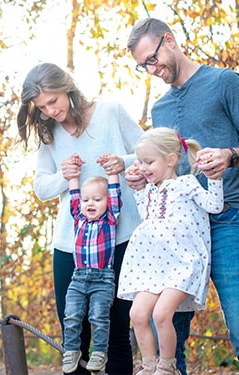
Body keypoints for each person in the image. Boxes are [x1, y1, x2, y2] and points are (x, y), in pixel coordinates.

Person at [125, 18, 239, 375]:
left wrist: (229, 155)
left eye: (152, 59)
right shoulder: (160, 109)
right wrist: (144, 178)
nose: (151, 69)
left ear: (169, 40)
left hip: (227, 221)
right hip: (174, 237)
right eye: (142, 66)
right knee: (168, 345)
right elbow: (169, 174)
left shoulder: (224, 81)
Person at [17, 62, 143, 375]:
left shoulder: (110, 111)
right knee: (74, 334)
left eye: (53, 101)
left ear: (67, 87)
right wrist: (64, 176)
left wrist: (122, 162)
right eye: (42, 106)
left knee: (115, 334)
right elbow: (41, 187)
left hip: (119, 241)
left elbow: (149, 153)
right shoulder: (50, 134)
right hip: (71, 247)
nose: (50, 111)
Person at [117, 127, 223, 375]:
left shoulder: (187, 183)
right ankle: (149, 365)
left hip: (182, 262)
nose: (142, 167)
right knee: (138, 313)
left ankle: (167, 366)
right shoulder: (151, 189)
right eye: (140, 161)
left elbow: (214, 206)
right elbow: (148, 216)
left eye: (148, 162)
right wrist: (139, 192)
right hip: (152, 263)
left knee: (162, 315)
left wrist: (216, 179)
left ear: (171, 159)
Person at [61, 153, 122, 373]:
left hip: (103, 279)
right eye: (87, 200)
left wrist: (112, 173)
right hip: (78, 277)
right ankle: (71, 350)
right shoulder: (78, 218)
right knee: (72, 315)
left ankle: (99, 352)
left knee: (99, 316)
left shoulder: (110, 218)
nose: (90, 204)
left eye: (97, 200)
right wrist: (74, 174)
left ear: (107, 202)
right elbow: (74, 195)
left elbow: (115, 193)